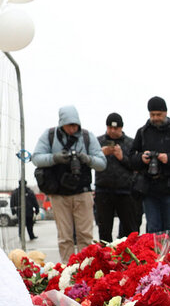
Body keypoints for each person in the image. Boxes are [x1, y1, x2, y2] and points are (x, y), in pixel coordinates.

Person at [31, 105, 105, 263]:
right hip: (59, 195)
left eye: (75, 125)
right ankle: (68, 270)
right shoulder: (50, 135)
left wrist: (86, 159)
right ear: (61, 123)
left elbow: (102, 163)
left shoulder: (87, 137)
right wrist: (55, 158)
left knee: (85, 235)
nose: (73, 128)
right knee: (65, 238)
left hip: (83, 193)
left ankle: (86, 269)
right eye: (69, 125)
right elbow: (36, 158)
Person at [130, 96, 170, 245]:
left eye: (158, 114)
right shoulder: (142, 132)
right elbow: (131, 159)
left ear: (165, 113)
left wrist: (169, 158)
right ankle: (155, 265)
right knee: (153, 230)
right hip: (149, 189)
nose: (155, 118)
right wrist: (141, 158)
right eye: (152, 115)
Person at [94, 112, 140, 243]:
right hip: (103, 191)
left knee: (129, 230)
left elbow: (136, 166)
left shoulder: (131, 143)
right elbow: (90, 161)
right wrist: (100, 153)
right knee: (104, 230)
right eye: (110, 128)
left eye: (116, 128)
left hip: (125, 191)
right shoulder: (98, 142)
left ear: (121, 128)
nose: (113, 131)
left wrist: (122, 157)